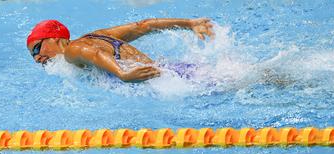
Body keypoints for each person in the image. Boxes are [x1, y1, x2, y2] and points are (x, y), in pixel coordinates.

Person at [26, 18, 214, 82]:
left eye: (36, 49)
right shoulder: (97, 36)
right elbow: (143, 26)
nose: (36, 59)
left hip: (169, 79)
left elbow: (92, 54)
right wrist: (188, 24)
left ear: (54, 38)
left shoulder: (72, 50)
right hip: (174, 71)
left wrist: (123, 73)